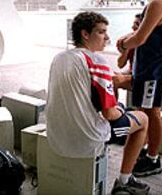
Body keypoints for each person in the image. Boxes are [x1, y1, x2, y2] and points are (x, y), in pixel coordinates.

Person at [46, 12, 150, 194]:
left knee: (122, 110)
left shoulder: (59, 58)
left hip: (56, 136)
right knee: (142, 119)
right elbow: (109, 114)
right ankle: (124, 180)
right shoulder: (97, 61)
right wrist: (120, 111)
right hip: (89, 139)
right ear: (85, 34)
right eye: (102, 32)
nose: (107, 37)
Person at [116, 0, 162, 177]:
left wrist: (123, 43)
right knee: (145, 111)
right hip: (149, 69)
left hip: (152, 70)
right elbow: (144, 34)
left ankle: (153, 159)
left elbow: (140, 38)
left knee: (151, 113)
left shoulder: (160, 1)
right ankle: (147, 152)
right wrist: (130, 38)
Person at [112, 13, 141, 99]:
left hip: (142, 77)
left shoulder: (148, 44)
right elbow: (120, 64)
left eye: (137, 24)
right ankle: (114, 107)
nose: (132, 27)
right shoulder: (131, 41)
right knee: (107, 76)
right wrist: (126, 48)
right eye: (133, 24)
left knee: (114, 80)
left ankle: (114, 110)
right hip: (132, 73)